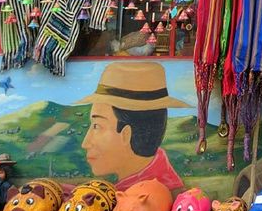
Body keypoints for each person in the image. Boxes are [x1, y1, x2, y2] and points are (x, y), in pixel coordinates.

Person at [77, 62, 190, 192]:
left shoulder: (148, 197)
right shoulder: (146, 186)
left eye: (97, 126)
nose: (85, 143)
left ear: (126, 134)